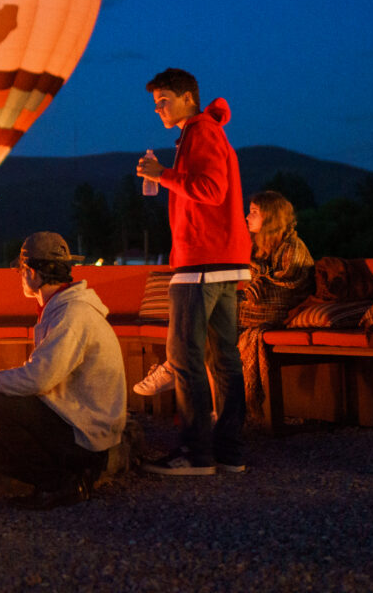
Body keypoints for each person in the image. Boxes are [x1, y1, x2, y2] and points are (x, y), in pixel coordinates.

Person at [133, 68, 251, 475]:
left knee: (184, 357)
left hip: (200, 262)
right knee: (224, 359)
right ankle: (229, 452)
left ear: (187, 98)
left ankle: (196, 453)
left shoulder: (201, 132)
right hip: (224, 262)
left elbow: (210, 191)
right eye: (155, 104)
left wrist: (161, 175)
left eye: (164, 100)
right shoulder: (208, 133)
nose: (159, 109)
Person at [0, 230, 128, 510]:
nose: (20, 276)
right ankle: (72, 477)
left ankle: (59, 486)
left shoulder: (72, 315)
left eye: (22, 269)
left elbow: (38, 378)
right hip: (73, 424)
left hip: (86, 438)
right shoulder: (62, 309)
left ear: (34, 274)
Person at [237, 190, 314, 423]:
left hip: (285, 309)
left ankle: (181, 367)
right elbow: (253, 279)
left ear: (270, 217)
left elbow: (286, 286)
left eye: (254, 212)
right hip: (259, 308)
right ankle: (220, 404)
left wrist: (256, 284)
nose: (247, 217)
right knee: (215, 324)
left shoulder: (293, 246)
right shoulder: (256, 249)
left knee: (219, 313)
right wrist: (252, 284)